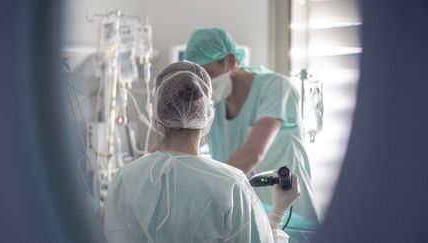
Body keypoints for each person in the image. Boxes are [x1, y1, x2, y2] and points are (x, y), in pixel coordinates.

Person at [104, 61, 300, 243]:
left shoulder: (123, 180)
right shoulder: (231, 185)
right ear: (207, 114)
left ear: (157, 114)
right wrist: (277, 215)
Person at [184, 28, 321, 242]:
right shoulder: (215, 106)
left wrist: (206, 197)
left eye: (209, 74)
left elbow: (252, 155)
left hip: (294, 218)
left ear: (230, 61)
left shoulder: (276, 88)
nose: (206, 86)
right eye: (200, 78)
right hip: (253, 221)